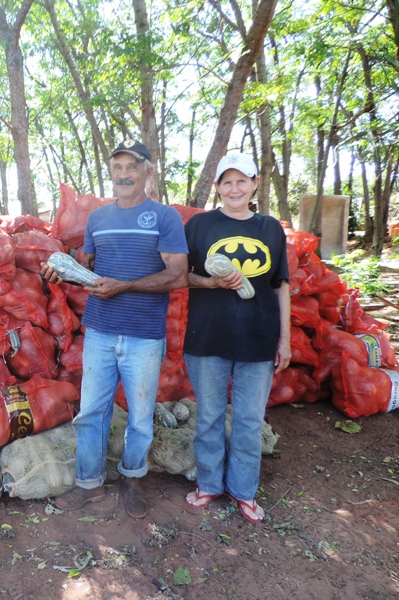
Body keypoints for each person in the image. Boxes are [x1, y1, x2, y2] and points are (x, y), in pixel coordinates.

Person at [41, 140, 188, 518]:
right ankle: (88, 484)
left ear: (147, 172)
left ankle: (132, 479)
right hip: (101, 331)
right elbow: (86, 269)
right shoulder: (98, 219)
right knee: (91, 412)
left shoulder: (164, 217)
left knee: (139, 416)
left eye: (132, 167)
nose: (123, 174)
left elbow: (177, 275)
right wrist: (63, 271)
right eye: (117, 167)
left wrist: (125, 285)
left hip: (143, 334)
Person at [182, 152, 291, 523]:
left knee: (248, 421)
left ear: (254, 183)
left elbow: (281, 286)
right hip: (208, 336)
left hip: (258, 338)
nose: (234, 188)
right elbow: (181, 276)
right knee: (210, 417)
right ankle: (210, 484)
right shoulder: (199, 227)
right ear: (217, 187)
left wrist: (285, 340)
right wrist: (211, 281)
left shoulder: (270, 228)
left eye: (241, 180)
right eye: (227, 181)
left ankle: (243, 491)